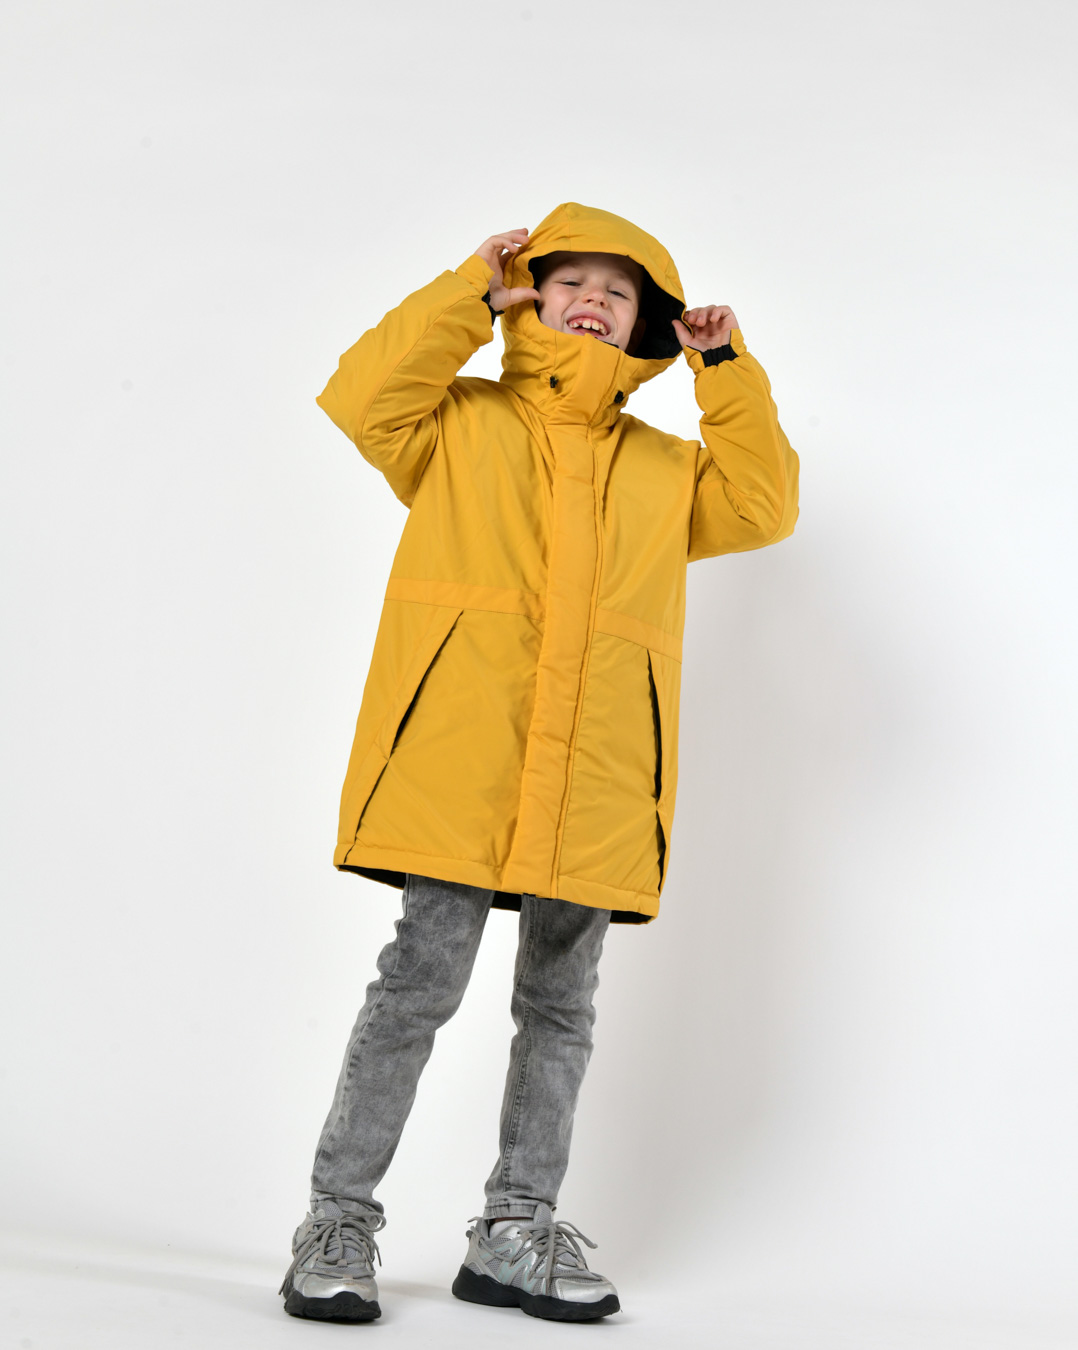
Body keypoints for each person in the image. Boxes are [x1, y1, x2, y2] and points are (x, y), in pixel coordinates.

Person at [279, 202, 800, 1324]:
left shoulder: (664, 469)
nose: (593, 301)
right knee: (418, 986)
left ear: (647, 326)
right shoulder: (456, 423)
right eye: (573, 282)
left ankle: (515, 1230)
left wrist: (724, 372)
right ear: (530, 295)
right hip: (458, 758)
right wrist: (463, 298)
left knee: (562, 1005)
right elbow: (362, 397)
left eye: (620, 291)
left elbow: (762, 505)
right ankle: (338, 1219)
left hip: (598, 773)